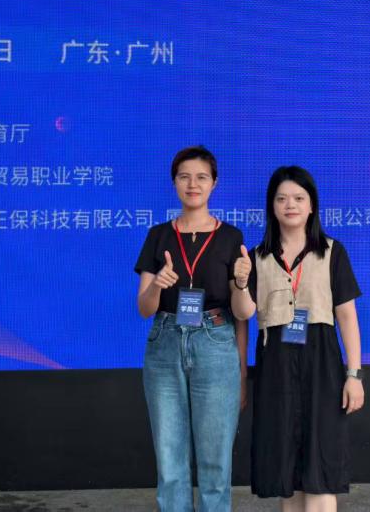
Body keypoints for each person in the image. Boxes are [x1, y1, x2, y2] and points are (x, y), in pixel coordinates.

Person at [134, 146, 255, 512]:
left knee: (215, 460)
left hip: (215, 341)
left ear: (214, 183)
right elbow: (144, 308)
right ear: (174, 182)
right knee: (170, 458)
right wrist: (157, 285)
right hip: (165, 342)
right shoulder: (158, 236)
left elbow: (242, 313)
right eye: (184, 176)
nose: (193, 184)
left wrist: (241, 283)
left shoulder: (231, 237)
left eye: (202, 177)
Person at [240, 166, 364, 511]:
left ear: (312, 206)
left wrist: (354, 375)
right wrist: (239, 282)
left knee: (321, 466)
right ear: (271, 206)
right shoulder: (255, 258)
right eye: (281, 199)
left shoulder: (332, 252)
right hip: (275, 367)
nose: (290, 205)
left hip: (321, 363)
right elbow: (244, 313)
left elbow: (347, 317)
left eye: (298, 198)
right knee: (286, 471)